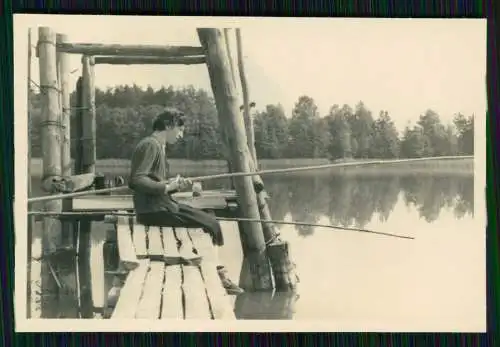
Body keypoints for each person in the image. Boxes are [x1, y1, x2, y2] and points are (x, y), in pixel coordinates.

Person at [128, 107, 244, 295]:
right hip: (154, 211)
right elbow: (137, 180)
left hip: (160, 206)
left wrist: (173, 184)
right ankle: (218, 274)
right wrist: (166, 188)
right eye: (180, 129)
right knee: (211, 223)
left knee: (208, 219)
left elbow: (151, 180)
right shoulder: (151, 145)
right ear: (168, 125)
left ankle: (215, 269)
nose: (181, 135)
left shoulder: (156, 145)